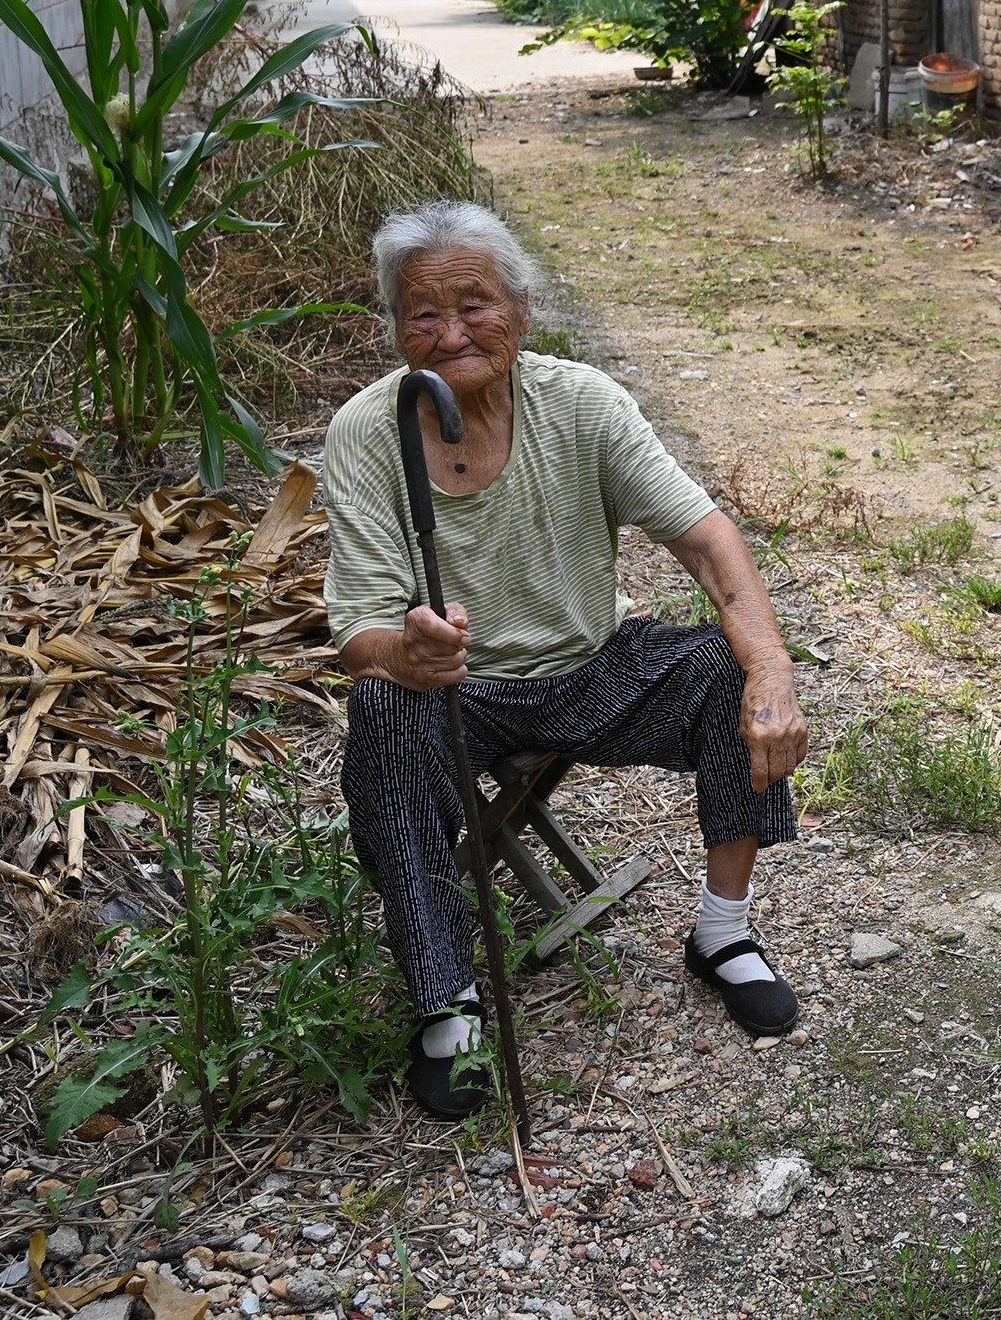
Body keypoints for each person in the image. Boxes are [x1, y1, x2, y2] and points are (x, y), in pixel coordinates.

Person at [323, 199, 809, 1118]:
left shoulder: (581, 402)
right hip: (458, 693)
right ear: (395, 331)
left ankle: (723, 933)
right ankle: (447, 999)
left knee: (724, 666)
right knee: (382, 708)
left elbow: (705, 539)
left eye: (476, 302)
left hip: (593, 661)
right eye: (424, 312)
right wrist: (408, 649)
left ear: (523, 308)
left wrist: (773, 669)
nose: (453, 330)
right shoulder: (366, 431)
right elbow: (356, 633)